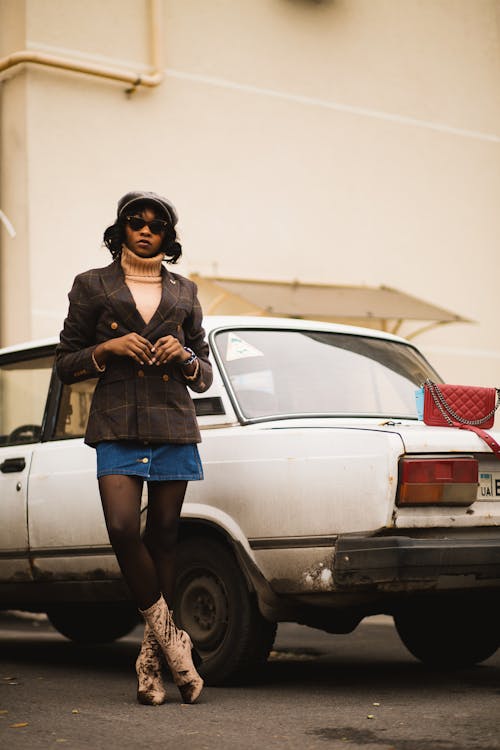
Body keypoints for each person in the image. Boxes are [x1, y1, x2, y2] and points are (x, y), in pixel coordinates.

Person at [56, 191, 213, 706]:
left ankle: (151, 661)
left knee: (165, 536)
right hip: (117, 422)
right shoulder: (92, 285)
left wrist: (184, 354)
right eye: (135, 222)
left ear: (168, 237)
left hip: (172, 421)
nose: (145, 231)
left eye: (156, 225)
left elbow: (205, 375)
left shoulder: (185, 291)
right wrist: (106, 349)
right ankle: (174, 644)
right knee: (124, 530)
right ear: (120, 229)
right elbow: (65, 362)